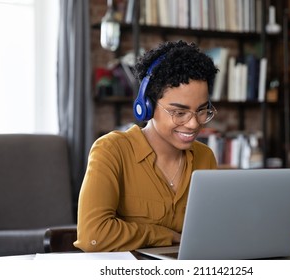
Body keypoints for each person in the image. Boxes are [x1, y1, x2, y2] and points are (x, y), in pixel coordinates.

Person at [74, 40, 219, 252]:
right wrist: (164, 235)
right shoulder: (111, 151)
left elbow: (213, 232)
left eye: (202, 110)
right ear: (146, 106)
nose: (193, 123)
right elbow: (92, 236)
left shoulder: (204, 157)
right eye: (179, 112)